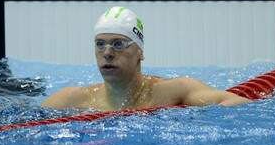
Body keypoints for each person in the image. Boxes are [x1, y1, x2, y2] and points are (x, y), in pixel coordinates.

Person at [42, 7, 250, 111]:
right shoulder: (75, 99)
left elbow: (234, 101)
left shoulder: (172, 91)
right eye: (100, 44)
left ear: (140, 52)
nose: (107, 52)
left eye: (118, 44)